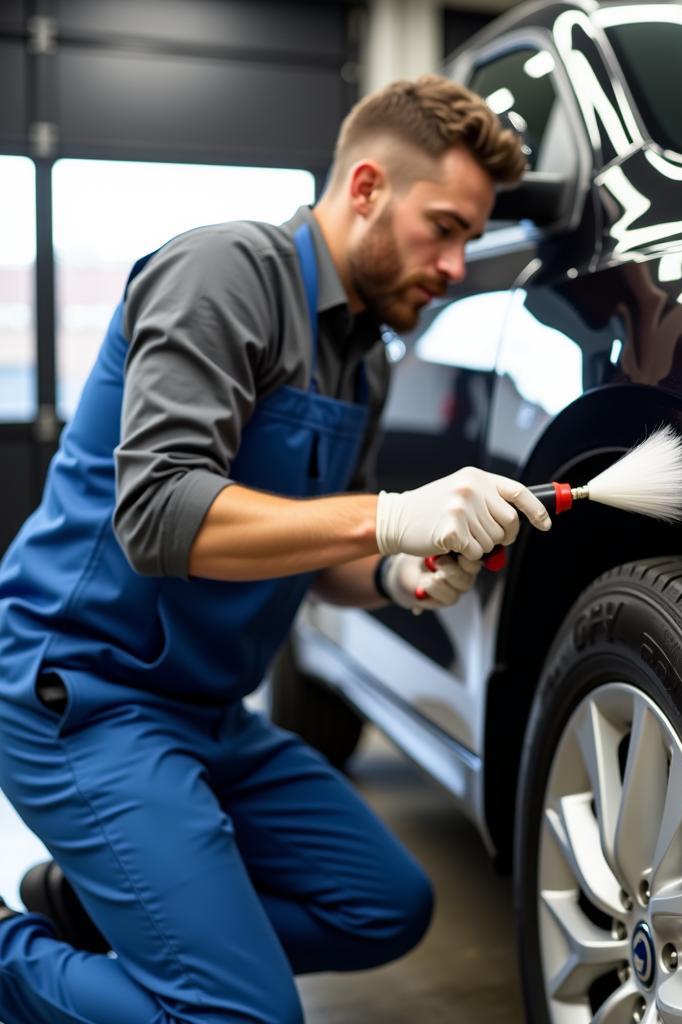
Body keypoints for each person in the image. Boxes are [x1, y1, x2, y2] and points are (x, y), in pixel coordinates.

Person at [0, 75, 550, 1024]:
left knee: (384, 906)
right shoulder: (225, 272)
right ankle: (13, 964)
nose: (459, 264)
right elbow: (164, 516)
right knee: (242, 1017)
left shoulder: (362, 356)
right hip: (86, 696)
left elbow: (320, 553)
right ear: (369, 186)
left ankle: (92, 916)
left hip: (208, 711)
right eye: (447, 227)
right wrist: (387, 516)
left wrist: (394, 573)